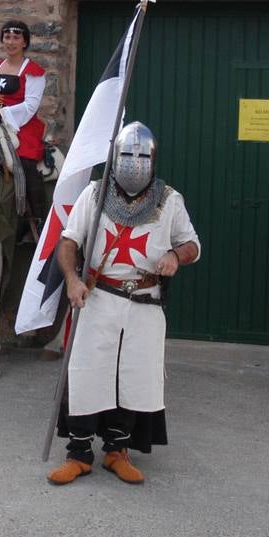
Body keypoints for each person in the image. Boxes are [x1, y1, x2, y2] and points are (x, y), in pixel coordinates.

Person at [48, 122, 201, 487]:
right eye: (127, 154)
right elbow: (69, 241)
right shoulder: (95, 195)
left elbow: (193, 245)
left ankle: (118, 450)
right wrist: (72, 279)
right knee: (87, 372)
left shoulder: (170, 200)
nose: (134, 162)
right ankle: (79, 453)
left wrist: (176, 257)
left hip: (145, 302)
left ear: (153, 159)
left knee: (132, 377)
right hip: (99, 297)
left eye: (142, 155)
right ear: (115, 157)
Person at [0, 19, 48, 243]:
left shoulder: (34, 71)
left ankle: (37, 219)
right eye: (7, 37)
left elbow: (30, 106)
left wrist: (1, 114)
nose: (10, 42)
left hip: (23, 125)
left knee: (25, 160)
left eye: (16, 37)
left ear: (24, 42)